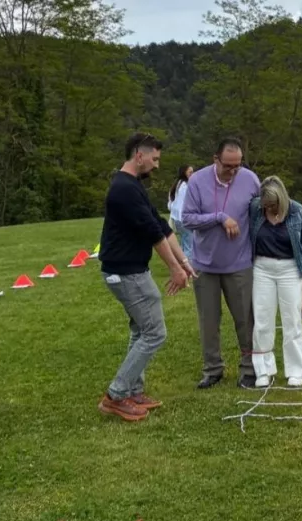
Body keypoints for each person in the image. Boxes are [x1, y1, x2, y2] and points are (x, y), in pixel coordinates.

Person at [98, 133, 196, 422]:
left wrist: (184, 261)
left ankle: (132, 390)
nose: (156, 165)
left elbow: (161, 226)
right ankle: (116, 395)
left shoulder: (133, 185)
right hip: (125, 272)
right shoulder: (123, 189)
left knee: (141, 330)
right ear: (139, 156)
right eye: (154, 159)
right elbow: (152, 234)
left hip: (131, 270)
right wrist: (174, 269)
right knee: (154, 332)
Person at [182, 137, 261, 390]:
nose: (233, 171)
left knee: (245, 320)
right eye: (228, 165)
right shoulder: (197, 181)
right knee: (209, 321)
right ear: (215, 159)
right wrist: (218, 218)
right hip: (205, 265)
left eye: (237, 165)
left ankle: (249, 368)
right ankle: (213, 369)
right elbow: (187, 219)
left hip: (239, 263)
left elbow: (259, 214)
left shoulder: (250, 179)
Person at [249, 177, 302, 388]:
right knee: (262, 320)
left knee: (292, 321)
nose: (269, 208)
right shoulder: (255, 209)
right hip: (262, 268)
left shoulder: (299, 212)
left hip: (290, 270)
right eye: (266, 205)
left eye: (273, 205)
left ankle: (296, 371)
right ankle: (263, 371)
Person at [168, 165, 194, 260]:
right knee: (189, 246)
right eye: (190, 172)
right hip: (184, 218)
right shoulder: (185, 186)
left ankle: (183, 265)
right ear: (184, 173)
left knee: (184, 243)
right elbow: (184, 204)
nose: (192, 174)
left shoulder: (177, 184)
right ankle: (188, 270)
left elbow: (170, 204)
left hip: (177, 219)